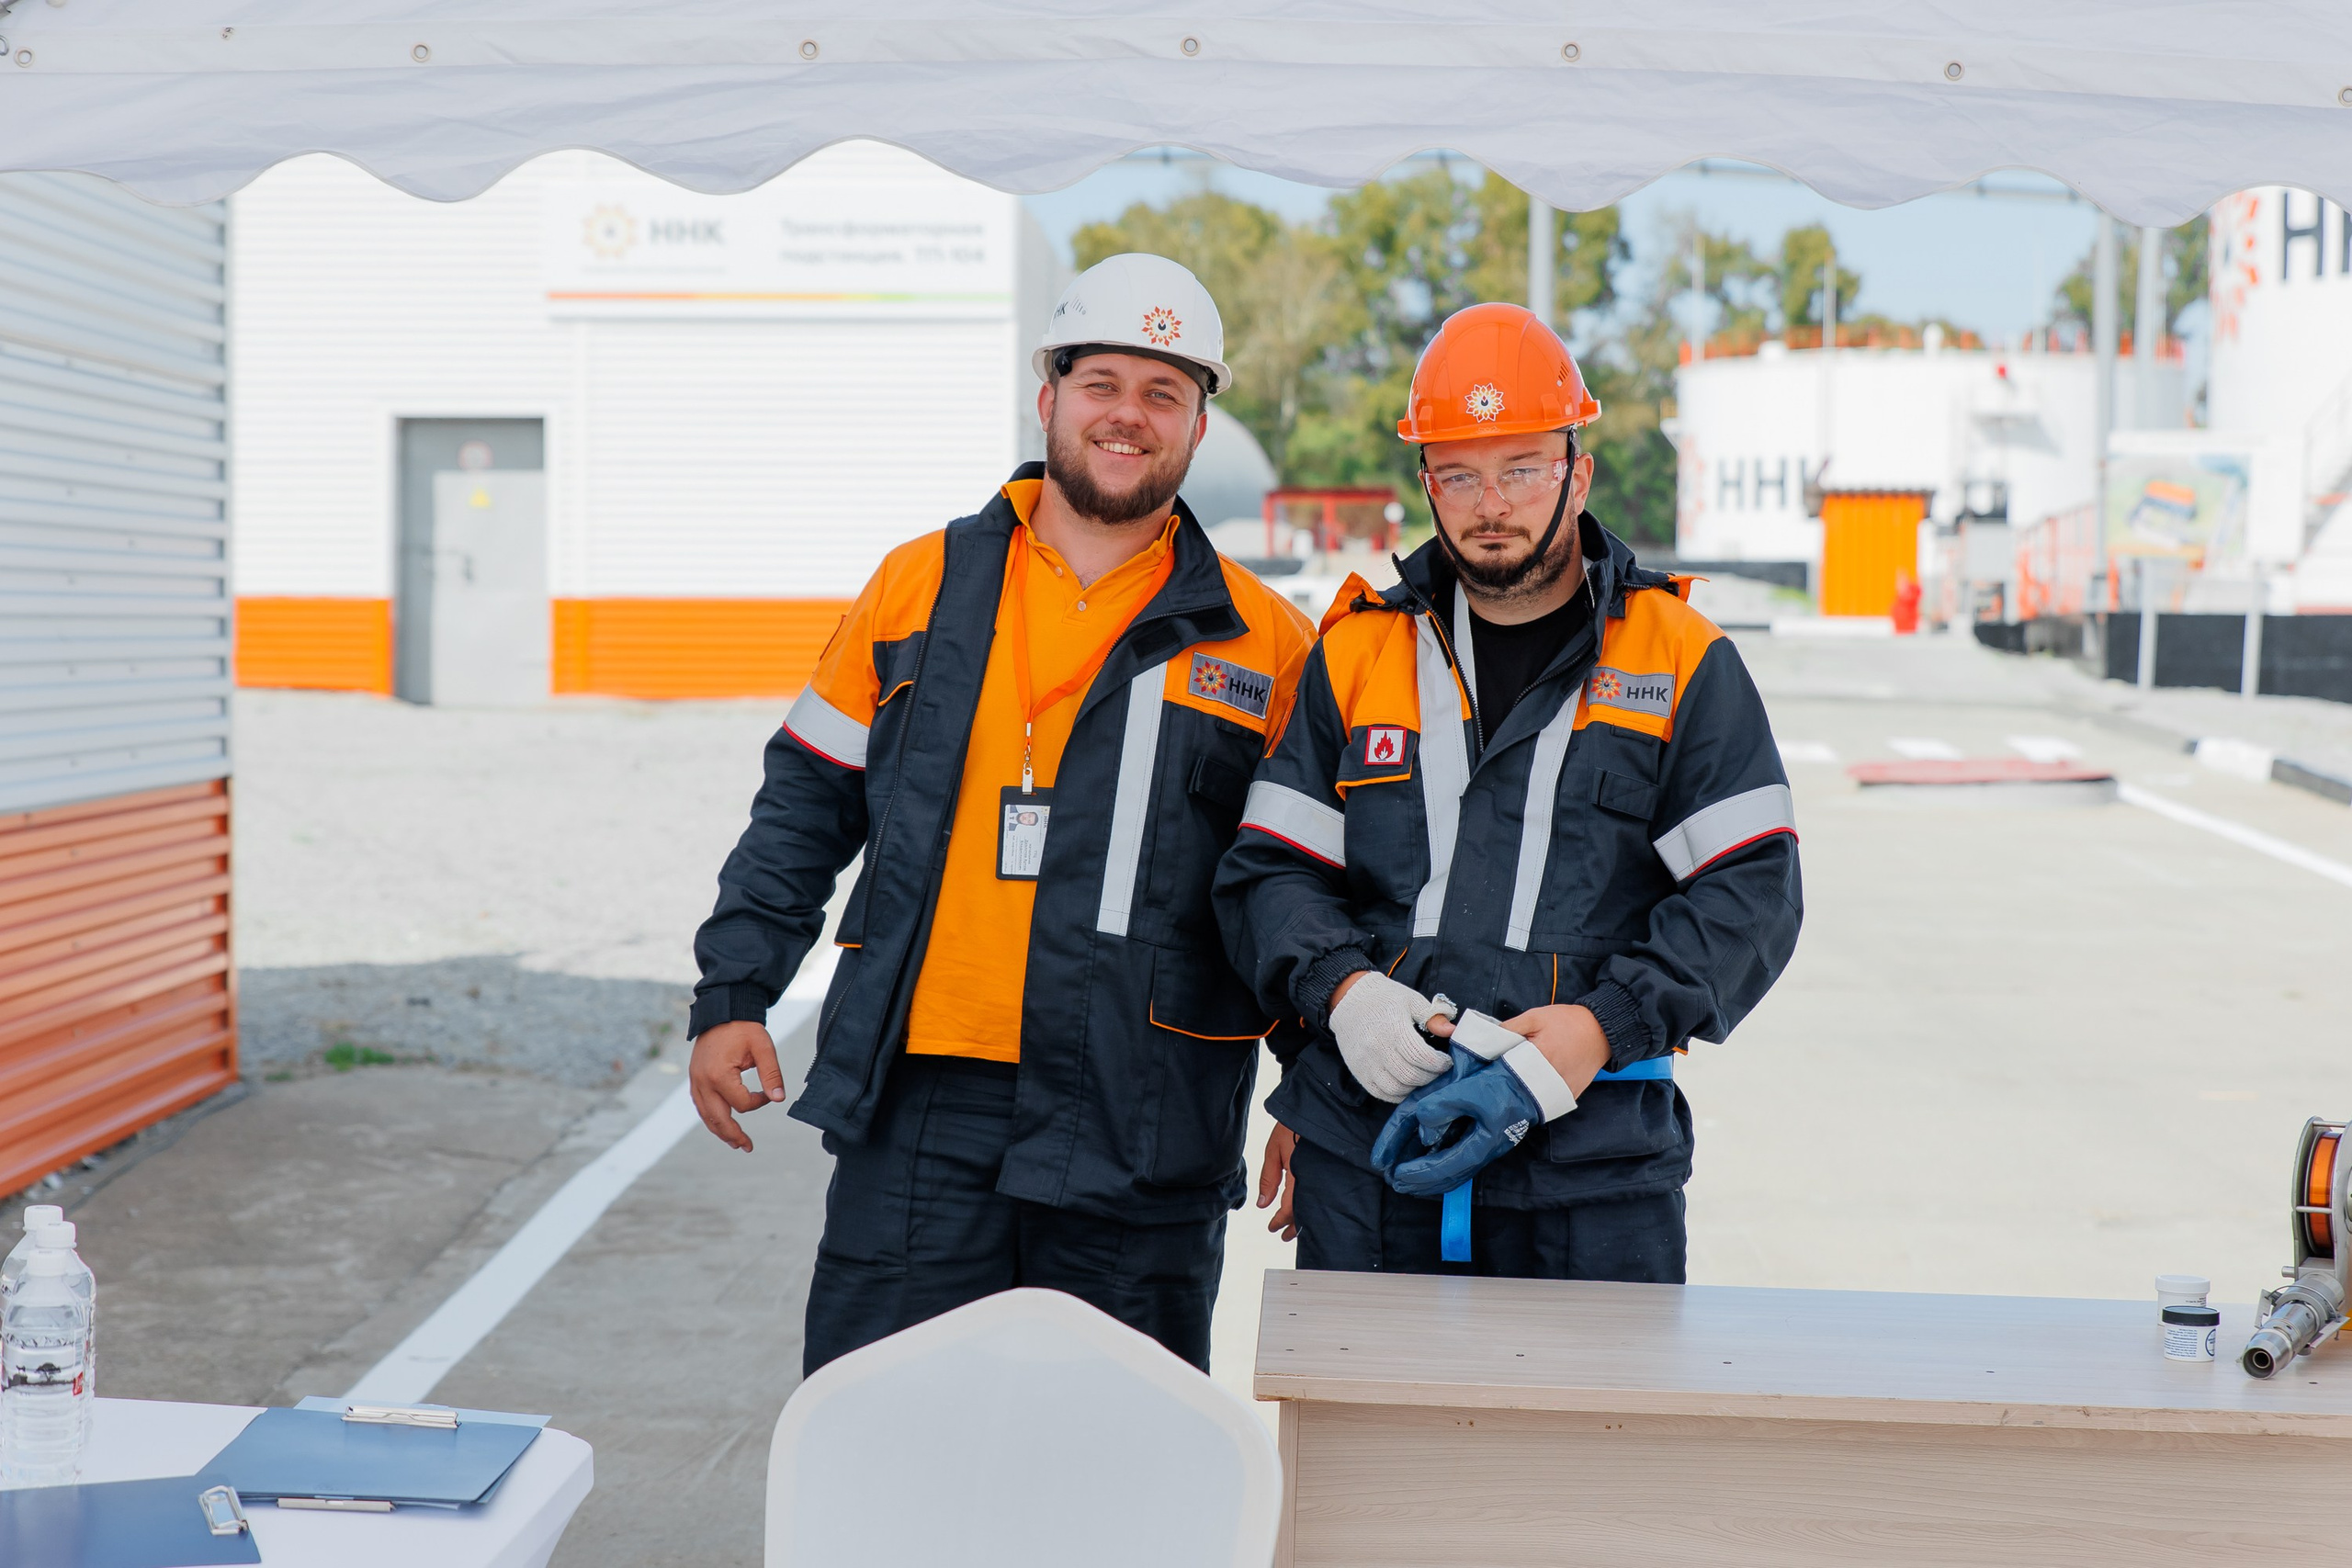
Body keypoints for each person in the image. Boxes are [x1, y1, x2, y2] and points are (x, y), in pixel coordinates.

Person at [687, 254, 1316, 1374]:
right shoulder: (915, 586)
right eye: (1102, 384)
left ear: (1197, 426)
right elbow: (803, 806)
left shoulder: (1265, 643)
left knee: (1119, 1474)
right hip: (923, 1101)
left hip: (1145, 1115)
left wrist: (1318, 1089)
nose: (1129, 415)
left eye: (1163, 393)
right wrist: (736, 988)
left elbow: (1298, 893)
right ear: (1050, 398)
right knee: (884, 1445)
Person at [1213, 301, 1801, 1280]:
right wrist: (1344, 993)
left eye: (1522, 468)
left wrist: (1600, 1029)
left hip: (1595, 1167)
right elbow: (1271, 872)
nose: (1491, 502)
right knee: (1372, 1438)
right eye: (1460, 473)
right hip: (1371, 1153)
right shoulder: (1355, 653)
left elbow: (1751, 894)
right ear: (1425, 483)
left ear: (1579, 472)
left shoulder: (1679, 658)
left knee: (1582, 1437)